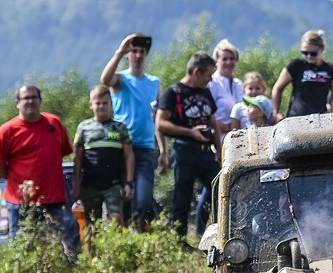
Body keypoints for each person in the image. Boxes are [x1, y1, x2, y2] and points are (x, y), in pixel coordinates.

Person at [0, 85, 79, 257]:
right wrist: (18, 182)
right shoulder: (6, 131)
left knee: (70, 235)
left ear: (40, 100)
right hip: (21, 202)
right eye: (26, 98)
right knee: (22, 246)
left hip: (55, 198)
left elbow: (63, 152)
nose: (30, 101)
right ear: (17, 103)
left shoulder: (54, 123)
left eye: (34, 97)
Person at [100, 33, 167, 230]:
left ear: (146, 54)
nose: (137, 55)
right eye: (134, 51)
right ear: (129, 55)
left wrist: (163, 151)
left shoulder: (154, 82)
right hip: (121, 147)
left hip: (145, 148)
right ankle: (123, 236)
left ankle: (138, 234)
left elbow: (159, 118)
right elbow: (105, 80)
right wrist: (120, 52)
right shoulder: (121, 79)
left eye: (141, 51)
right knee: (121, 197)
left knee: (144, 198)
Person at [155, 52, 222, 238]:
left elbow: (213, 121)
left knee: (220, 189)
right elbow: (161, 124)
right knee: (182, 197)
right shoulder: (173, 93)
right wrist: (189, 132)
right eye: (208, 76)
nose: (209, 81)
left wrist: (218, 150)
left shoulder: (205, 92)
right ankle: (179, 238)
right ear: (195, 72)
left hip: (206, 153)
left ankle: (213, 233)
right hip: (185, 152)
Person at [72, 85, 134, 228]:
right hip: (89, 185)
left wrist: (129, 183)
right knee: (91, 226)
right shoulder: (84, 127)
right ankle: (92, 251)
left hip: (113, 184)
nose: (101, 107)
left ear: (111, 104)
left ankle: (114, 249)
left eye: (105, 103)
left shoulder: (120, 127)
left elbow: (129, 155)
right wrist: (76, 186)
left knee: (116, 219)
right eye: (97, 103)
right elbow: (78, 159)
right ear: (91, 105)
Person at [272, 30, 333, 119]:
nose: (309, 56)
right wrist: (276, 112)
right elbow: (277, 88)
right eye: (305, 53)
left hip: (319, 120)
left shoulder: (331, 70)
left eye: (313, 53)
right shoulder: (296, 65)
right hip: (295, 118)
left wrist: (328, 115)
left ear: (322, 49)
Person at [209, 39, 243, 134]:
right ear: (217, 61)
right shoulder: (212, 83)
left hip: (239, 134)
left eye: (232, 59)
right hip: (219, 135)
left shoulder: (239, 84)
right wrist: (222, 126)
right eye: (224, 59)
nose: (228, 62)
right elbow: (207, 112)